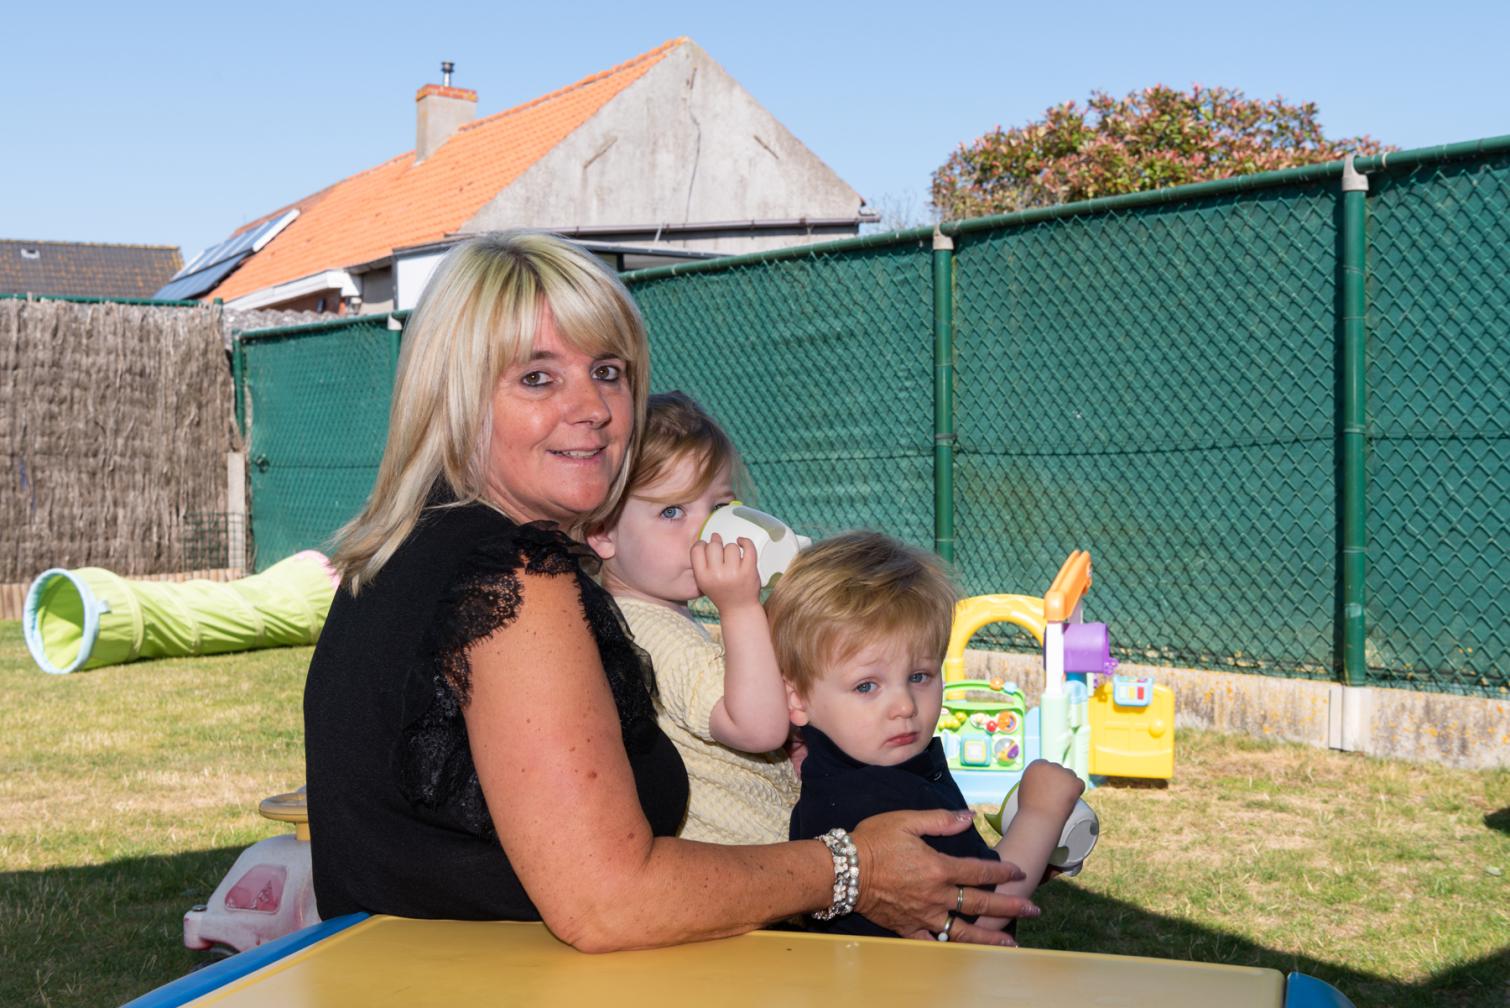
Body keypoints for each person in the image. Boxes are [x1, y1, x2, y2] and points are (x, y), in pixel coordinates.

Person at [302, 230, 1037, 952]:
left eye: (609, 371)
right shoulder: (511, 577)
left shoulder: (404, 550)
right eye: (537, 378)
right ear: (454, 395)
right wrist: (853, 869)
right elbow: (608, 901)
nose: (593, 407)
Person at [770, 531, 1086, 940]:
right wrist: (1041, 814)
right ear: (797, 698)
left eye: (919, 676)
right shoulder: (888, 796)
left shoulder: (834, 776)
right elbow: (979, 913)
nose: (904, 705)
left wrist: (1030, 849)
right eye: (866, 686)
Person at [587, 392, 797, 846]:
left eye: (719, 509)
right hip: (739, 858)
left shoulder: (656, 615)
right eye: (672, 512)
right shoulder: (651, 634)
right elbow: (759, 728)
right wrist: (741, 608)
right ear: (602, 531)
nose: (706, 534)